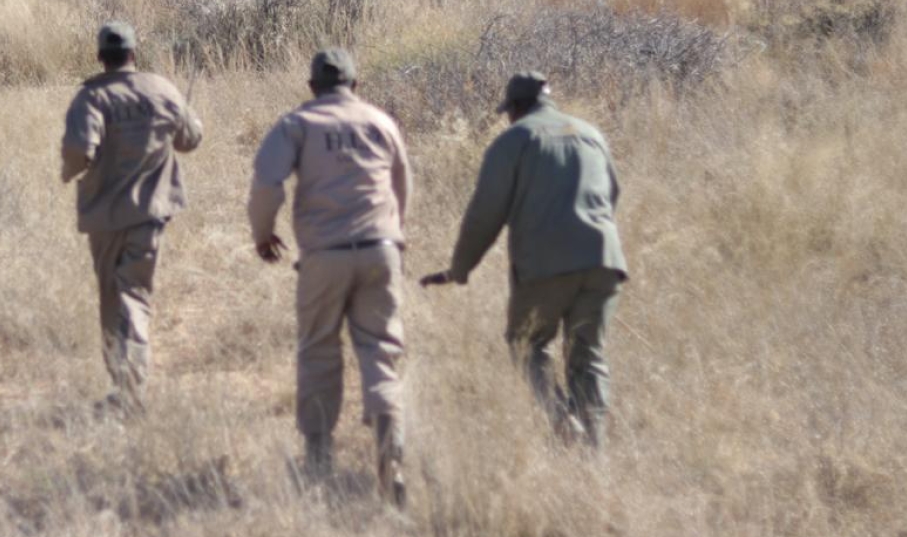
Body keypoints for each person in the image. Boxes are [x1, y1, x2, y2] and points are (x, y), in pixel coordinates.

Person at [248, 48, 412, 506]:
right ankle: (392, 454)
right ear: (355, 85)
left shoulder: (297, 124)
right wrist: (396, 235)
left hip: (324, 254)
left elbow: (266, 183)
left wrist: (263, 234)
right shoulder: (380, 122)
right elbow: (402, 182)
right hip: (381, 249)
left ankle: (319, 462)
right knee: (380, 351)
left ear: (312, 87)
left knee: (318, 349)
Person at [438, 71, 627, 448]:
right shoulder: (590, 133)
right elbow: (613, 192)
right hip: (603, 259)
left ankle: (562, 420)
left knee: (527, 344)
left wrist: (460, 269)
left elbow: (484, 215)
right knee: (588, 356)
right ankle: (594, 452)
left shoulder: (514, 141)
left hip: (544, 263)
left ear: (515, 108)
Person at [61, 21, 203, 416]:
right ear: (134, 54)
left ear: (100, 56)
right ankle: (127, 386)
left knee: (114, 296)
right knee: (135, 292)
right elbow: (189, 140)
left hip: (106, 216)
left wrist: (70, 170)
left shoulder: (91, 97)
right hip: (151, 213)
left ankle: (129, 388)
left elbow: (79, 149)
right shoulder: (162, 89)